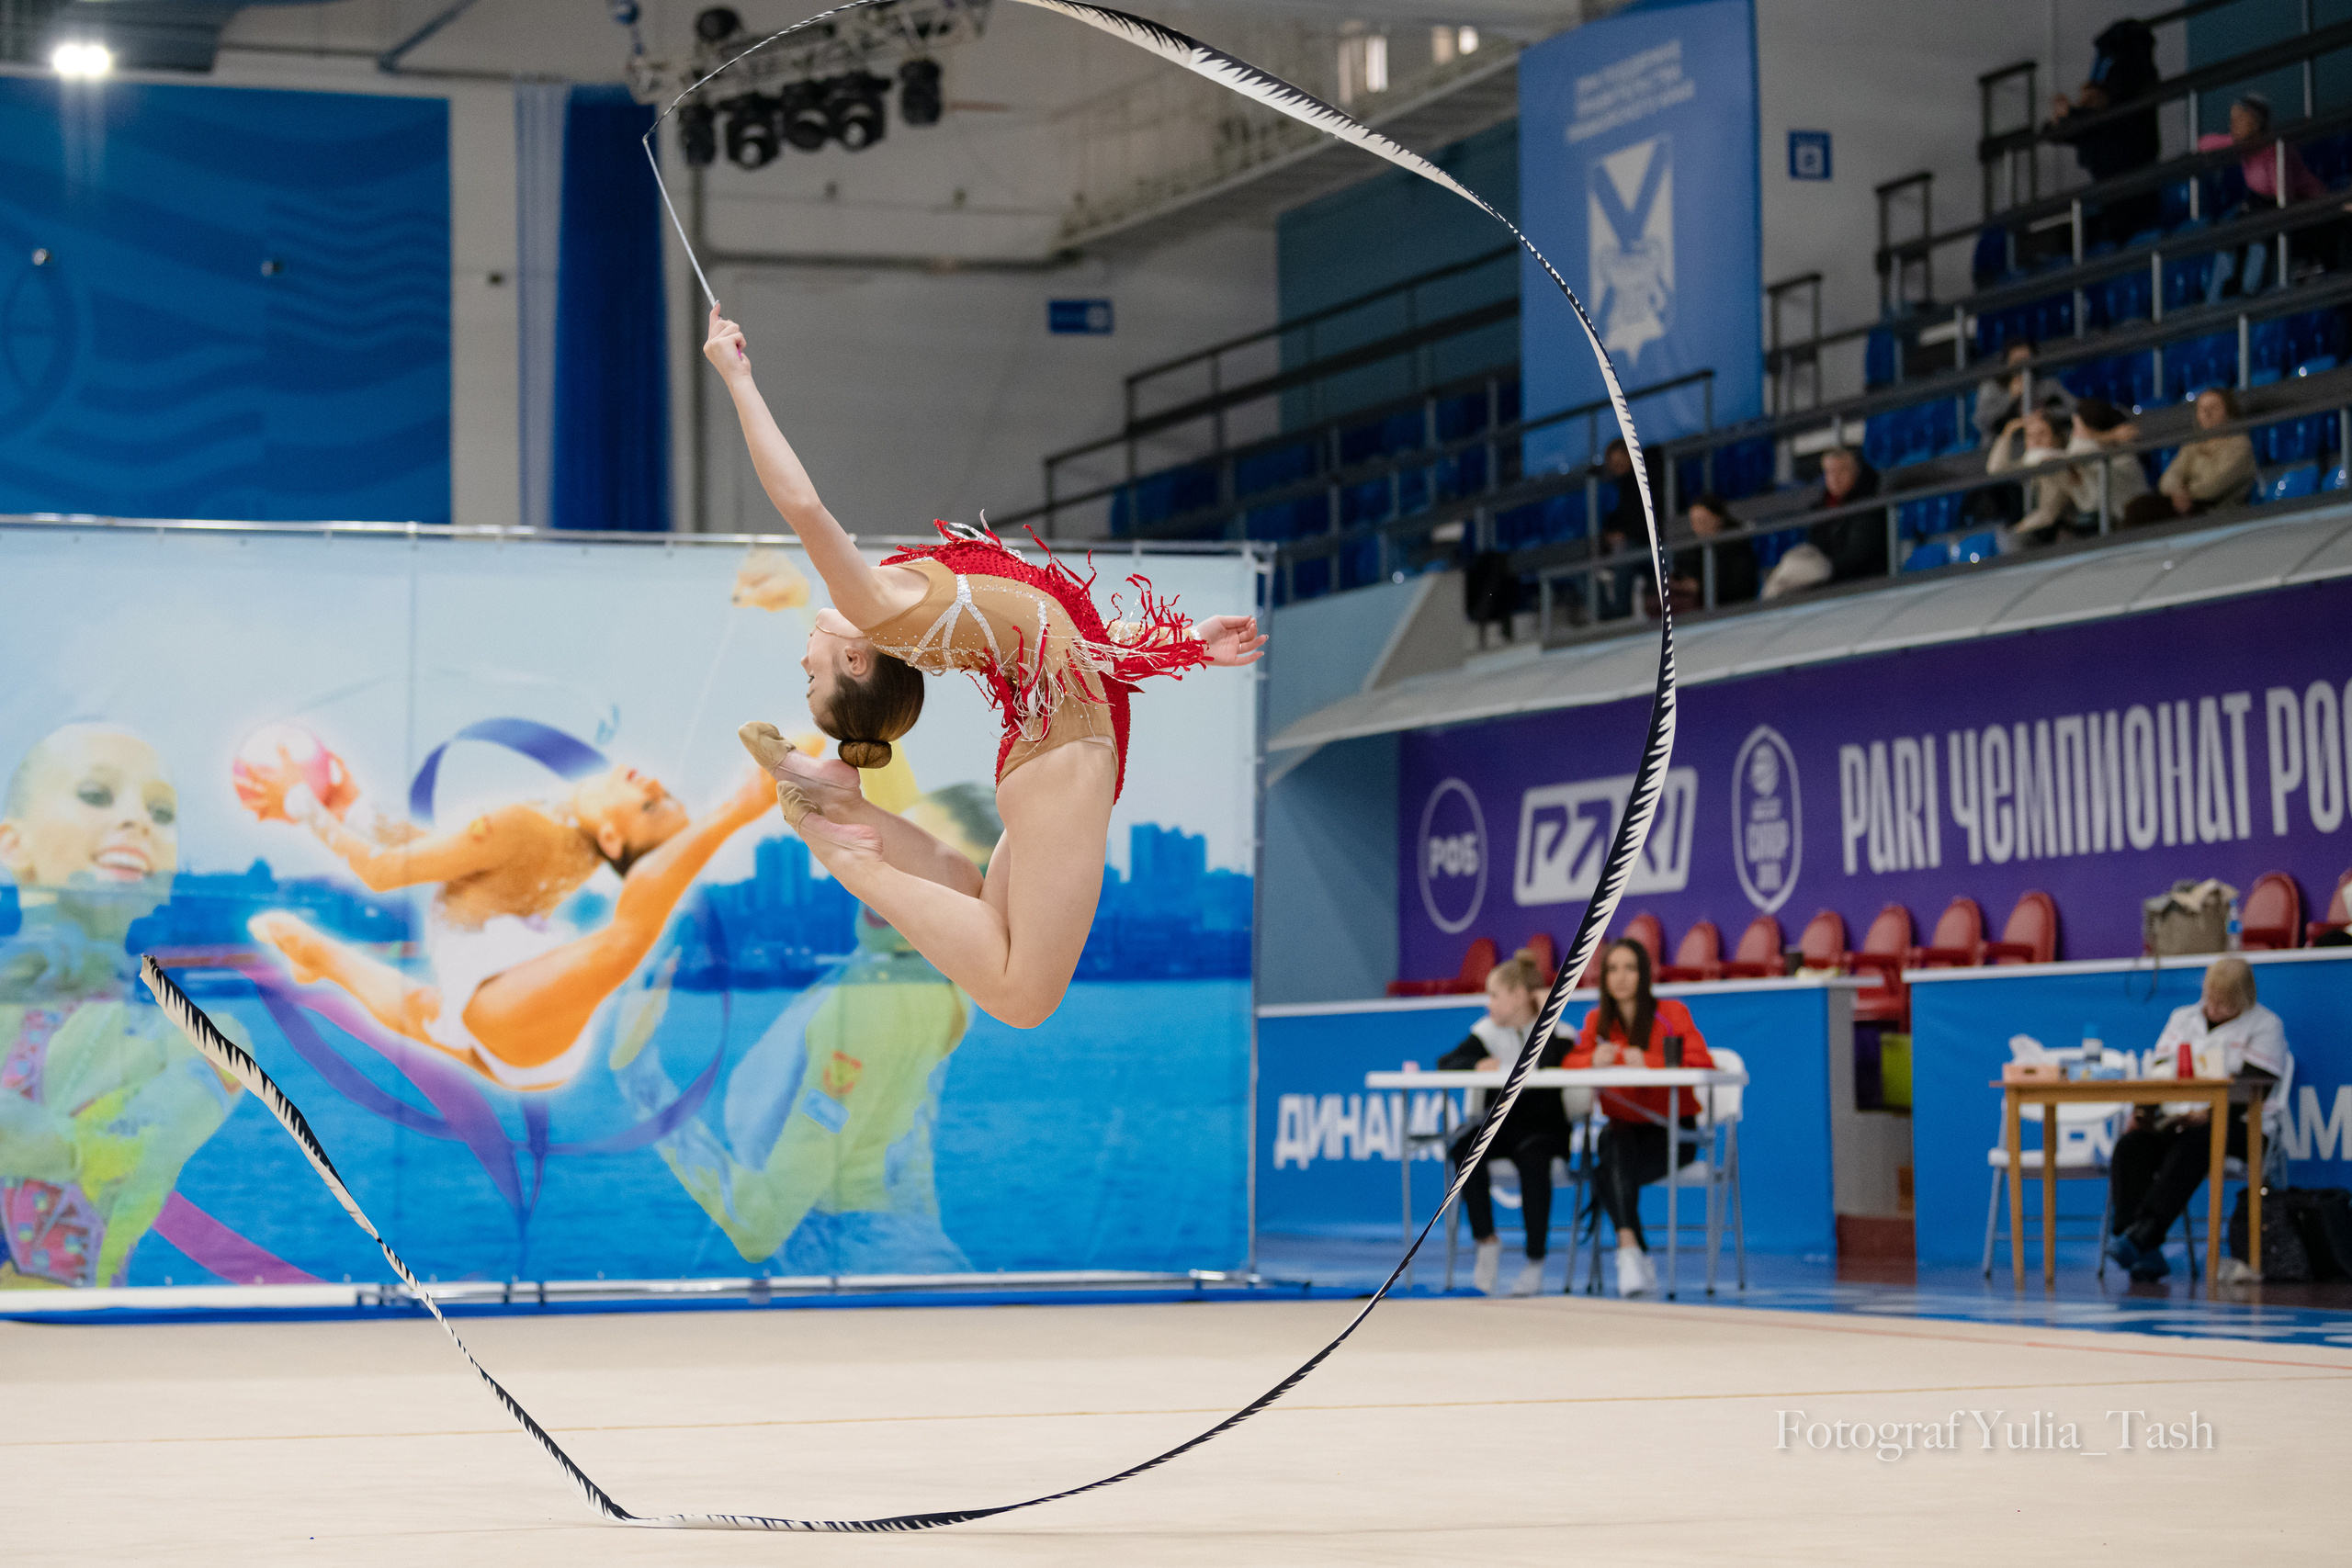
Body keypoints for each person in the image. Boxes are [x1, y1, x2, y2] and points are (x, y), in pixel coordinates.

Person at [705, 303, 1265, 1032]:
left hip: (1051, 754)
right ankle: (853, 855)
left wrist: (1187, 641)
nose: (801, 660)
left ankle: (847, 812)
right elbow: (802, 505)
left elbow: (1073, 641)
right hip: (1057, 750)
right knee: (1019, 994)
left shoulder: (900, 591)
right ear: (855, 657)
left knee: (979, 916)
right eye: (811, 678)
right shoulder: (878, 605)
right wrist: (738, 378)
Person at [238, 729, 778, 1091]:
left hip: (511, 1013)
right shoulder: (573, 847)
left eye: (651, 805)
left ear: (613, 839)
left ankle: (738, 810)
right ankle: (318, 956)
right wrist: (352, 809)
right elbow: (448, 859)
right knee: (423, 1011)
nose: (654, 782)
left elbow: (383, 870)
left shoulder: (528, 827)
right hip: (519, 1021)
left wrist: (301, 803)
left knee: (623, 941)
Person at [0, 724, 244, 1288]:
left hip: (76, 1329)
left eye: (162, 813)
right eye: (96, 795)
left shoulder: (206, 1040)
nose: (138, 821)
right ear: (13, 843)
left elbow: (118, 1150)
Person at [2104, 958, 2290, 1281]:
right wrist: (2143, 1113)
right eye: (2211, 1000)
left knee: (2198, 1142)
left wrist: (2207, 1115)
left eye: (2225, 1004)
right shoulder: (2183, 1018)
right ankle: (2142, 1247)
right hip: (2180, 1119)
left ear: (2245, 998)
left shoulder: (2266, 1025)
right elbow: (2158, 1073)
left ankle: (2142, 1235)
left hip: (2242, 1126)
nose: (2214, 1009)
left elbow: (2253, 1090)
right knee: (2131, 1146)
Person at [1565, 939, 1714, 1298]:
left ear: (1644, 974)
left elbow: (1703, 1063)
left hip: (1673, 1133)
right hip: (1623, 1130)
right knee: (1611, 1143)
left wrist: (1649, 1062)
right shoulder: (1596, 1021)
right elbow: (1569, 1063)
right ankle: (1630, 1250)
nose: (1620, 977)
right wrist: (1592, 1060)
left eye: (1630, 968)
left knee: (1606, 1170)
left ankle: (1633, 1255)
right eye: (1612, 969)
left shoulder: (1672, 1013)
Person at [1433, 948, 1573, 1296]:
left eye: (1495, 995)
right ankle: (1486, 1242)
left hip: (1544, 1130)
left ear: (1520, 995)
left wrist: (1547, 1015)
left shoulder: (1560, 1032)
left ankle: (1535, 1262)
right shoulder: (1486, 1033)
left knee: (1534, 1161)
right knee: (1464, 1149)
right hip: (1501, 1127)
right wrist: (1474, 1066)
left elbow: (1554, 1062)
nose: (1489, 1004)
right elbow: (1446, 1063)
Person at [2199, 94, 2329, 300]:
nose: (2233, 125)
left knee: (2258, 235)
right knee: (2229, 231)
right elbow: (2204, 144)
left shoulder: (2275, 150)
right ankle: (2216, 300)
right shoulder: (2242, 144)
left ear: (2255, 123)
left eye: (2239, 120)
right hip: (2259, 204)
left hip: (2297, 204)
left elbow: (2285, 197)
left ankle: (2249, 292)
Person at [2048, 19, 2163, 246]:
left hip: (2132, 182)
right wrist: (2065, 118)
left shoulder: (2132, 73)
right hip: (2111, 184)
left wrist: (2071, 114)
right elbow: (2071, 127)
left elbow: (2113, 113)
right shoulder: (2113, 77)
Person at [2120, 387, 2256, 527]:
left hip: (2217, 509)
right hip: (2186, 503)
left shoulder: (2240, 445)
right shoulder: (2193, 444)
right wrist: (2178, 492)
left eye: (2214, 408)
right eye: (2202, 409)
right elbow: (2169, 477)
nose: (2207, 414)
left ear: (2229, 412)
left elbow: (2214, 486)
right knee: (2137, 506)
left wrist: (2185, 493)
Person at [1762, 446, 1883, 598]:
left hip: (1860, 582)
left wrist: (1828, 568)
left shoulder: (1870, 505)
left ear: (1857, 471)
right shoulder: (1820, 508)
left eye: (1842, 470)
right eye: (1829, 472)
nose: (1835, 478)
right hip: (1827, 579)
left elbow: (1859, 555)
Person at [1658, 492, 1757, 611]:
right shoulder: (1691, 550)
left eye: (1703, 521)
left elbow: (1741, 587)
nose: (1698, 527)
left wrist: (1699, 587)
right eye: (1694, 522)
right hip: (1697, 610)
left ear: (1719, 519)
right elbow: (1681, 572)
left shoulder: (1738, 546)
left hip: (1734, 609)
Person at [1972, 340, 2079, 448]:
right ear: (2007, 363)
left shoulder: (2048, 385)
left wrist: (2048, 413)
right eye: (2017, 361)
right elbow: (1981, 422)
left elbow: (2075, 408)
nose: (2023, 366)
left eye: (2027, 360)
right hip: (2003, 446)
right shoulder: (1991, 388)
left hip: (2043, 445)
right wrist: (2010, 397)